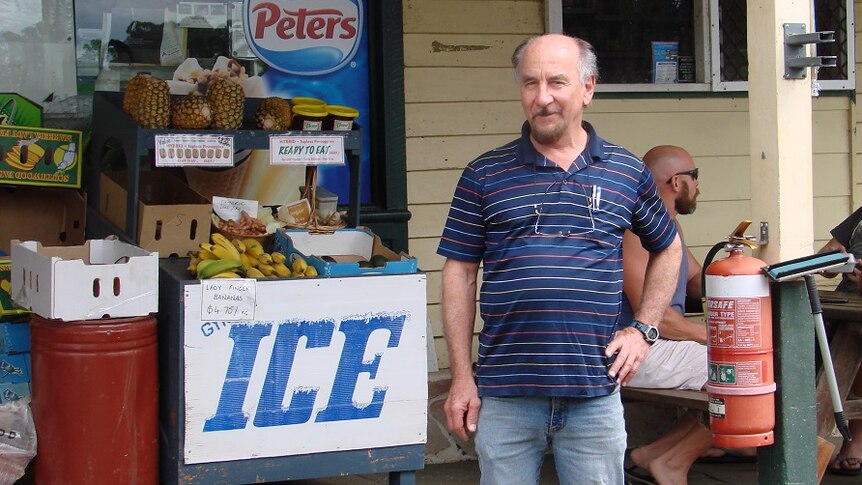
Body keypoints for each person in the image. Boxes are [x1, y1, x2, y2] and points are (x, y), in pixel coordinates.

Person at [437, 33, 683, 484]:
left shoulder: (625, 172)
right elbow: (460, 272)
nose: (542, 97)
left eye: (557, 82)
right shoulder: (483, 174)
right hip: (506, 395)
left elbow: (667, 246)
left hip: (594, 395)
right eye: (530, 84)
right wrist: (460, 378)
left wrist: (644, 329)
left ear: (588, 88)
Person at [622, 146, 752, 485]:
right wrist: (717, 337)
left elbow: (699, 282)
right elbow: (658, 319)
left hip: (665, 348)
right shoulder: (634, 232)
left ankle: (655, 454)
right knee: (746, 374)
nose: (698, 186)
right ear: (677, 182)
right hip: (636, 351)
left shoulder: (668, 228)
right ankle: (673, 462)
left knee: (753, 365)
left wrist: (745, 274)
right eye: (695, 177)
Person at [819, 209, 862, 476]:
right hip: (843, 309)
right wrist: (832, 260)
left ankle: (854, 441)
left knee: (851, 342)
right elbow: (830, 250)